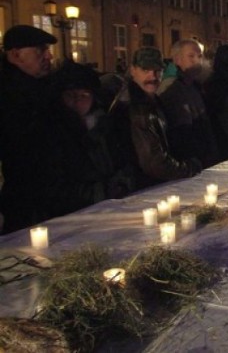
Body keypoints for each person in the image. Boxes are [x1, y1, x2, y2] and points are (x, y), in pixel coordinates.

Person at [42, 61, 135, 218]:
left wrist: (123, 181)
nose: (77, 101)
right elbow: (54, 183)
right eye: (70, 95)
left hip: (110, 209)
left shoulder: (104, 126)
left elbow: (123, 159)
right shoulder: (52, 132)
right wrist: (100, 191)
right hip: (72, 215)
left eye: (84, 95)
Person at [109, 47, 202, 188]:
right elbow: (154, 164)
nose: (152, 77)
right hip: (142, 188)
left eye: (157, 71)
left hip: (148, 184)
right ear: (133, 70)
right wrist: (189, 167)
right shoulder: (136, 107)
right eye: (146, 71)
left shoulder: (150, 100)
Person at [0, 25, 57, 233]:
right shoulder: (10, 97)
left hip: (49, 196)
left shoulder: (41, 89)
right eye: (40, 50)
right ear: (15, 55)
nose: (49, 56)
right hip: (25, 201)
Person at [158, 39, 220, 168]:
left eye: (199, 56)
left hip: (202, 161)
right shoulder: (170, 88)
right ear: (177, 60)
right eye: (191, 56)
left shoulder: (195, 85)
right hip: (187, 164)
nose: (197, 61)